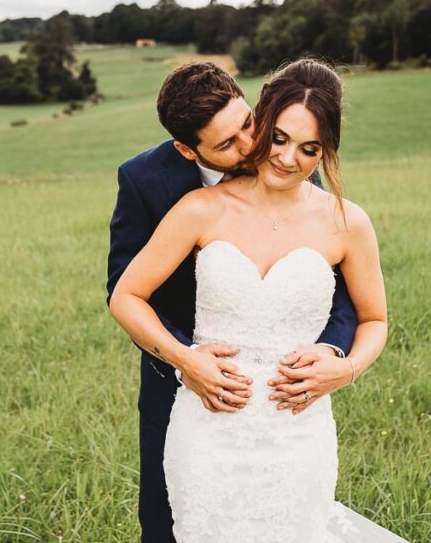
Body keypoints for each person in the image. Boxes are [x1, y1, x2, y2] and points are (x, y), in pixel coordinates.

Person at [107, 61, 386, 540]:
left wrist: (343, 361)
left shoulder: (317, 188)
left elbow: (354, 302)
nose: (257, 151)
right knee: (165, 523)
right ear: (187, 148)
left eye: (251, 126)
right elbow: (125, 291)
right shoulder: (166, 193)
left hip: (294, 425)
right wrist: (185, 360)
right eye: (227, 144)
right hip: (195, 403)